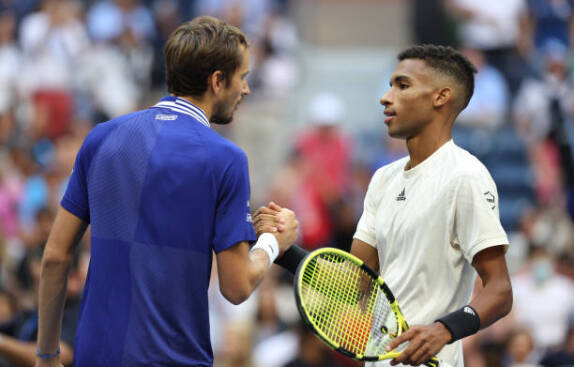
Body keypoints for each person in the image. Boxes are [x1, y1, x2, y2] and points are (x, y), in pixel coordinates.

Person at [35, 15, 298, 367]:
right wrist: (271, 244)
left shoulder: (101, 138)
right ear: (217, 81)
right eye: (243, 78)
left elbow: (55, 257)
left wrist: (46, 354)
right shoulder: (226, 158)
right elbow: (236, 288)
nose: (246, 90)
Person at [255, 45, 513, 367]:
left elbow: (500, 290)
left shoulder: (466, 176)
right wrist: (284, 249)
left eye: (402, 86)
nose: (386, 97)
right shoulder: (383, 179)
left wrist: (444, 330)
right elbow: (354, 283)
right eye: (390, 85)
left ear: (440, 97)